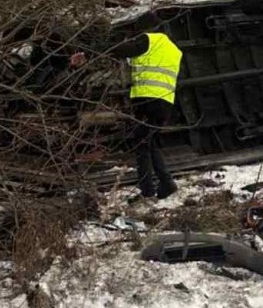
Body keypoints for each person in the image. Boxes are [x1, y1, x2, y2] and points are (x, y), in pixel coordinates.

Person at [70, 31, 183, 199]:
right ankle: (166, 183)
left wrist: (87, 52)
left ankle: (148, 192)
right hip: (165, 101)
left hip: (148, 101)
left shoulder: (149, 40)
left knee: (141, 145)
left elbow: (120, 49)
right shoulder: (172, 48)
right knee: (149, 143)